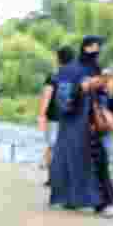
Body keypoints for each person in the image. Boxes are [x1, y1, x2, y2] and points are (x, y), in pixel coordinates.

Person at [47, 35, 113, 217]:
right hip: (83, 123)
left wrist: (104, 82)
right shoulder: (75, 70)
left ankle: (71, 199)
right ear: (86, 47)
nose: (97, 51)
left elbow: (109, 94)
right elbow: (66, 98)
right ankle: (101, 203)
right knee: (89, 160)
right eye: (95, 47)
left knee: (72, 160)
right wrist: (88, 86)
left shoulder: (82, 69)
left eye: (98, 48)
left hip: (84, 122)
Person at [37, 46, 75, 185]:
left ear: (59, 59)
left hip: (53, 117)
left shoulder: (53, 76)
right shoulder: (76, 78)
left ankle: (53, 178)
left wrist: (41, 116)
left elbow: (46, 96)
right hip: (71, 118)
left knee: (52, 146)